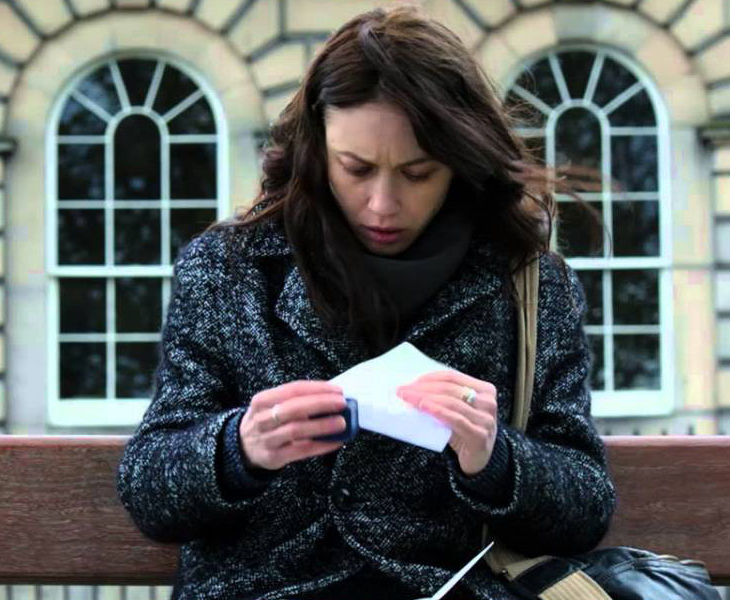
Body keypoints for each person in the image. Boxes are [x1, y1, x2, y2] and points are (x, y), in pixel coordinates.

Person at [115, 7, 616, 599]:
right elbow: (149, 488)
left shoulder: (528, 283)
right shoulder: (230, 269)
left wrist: (494, 458)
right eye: (356, 168)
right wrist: (240, 447)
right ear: (317, 149)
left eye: (417, 173)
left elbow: (586, 505)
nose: (382, 204)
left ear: (461, 161)